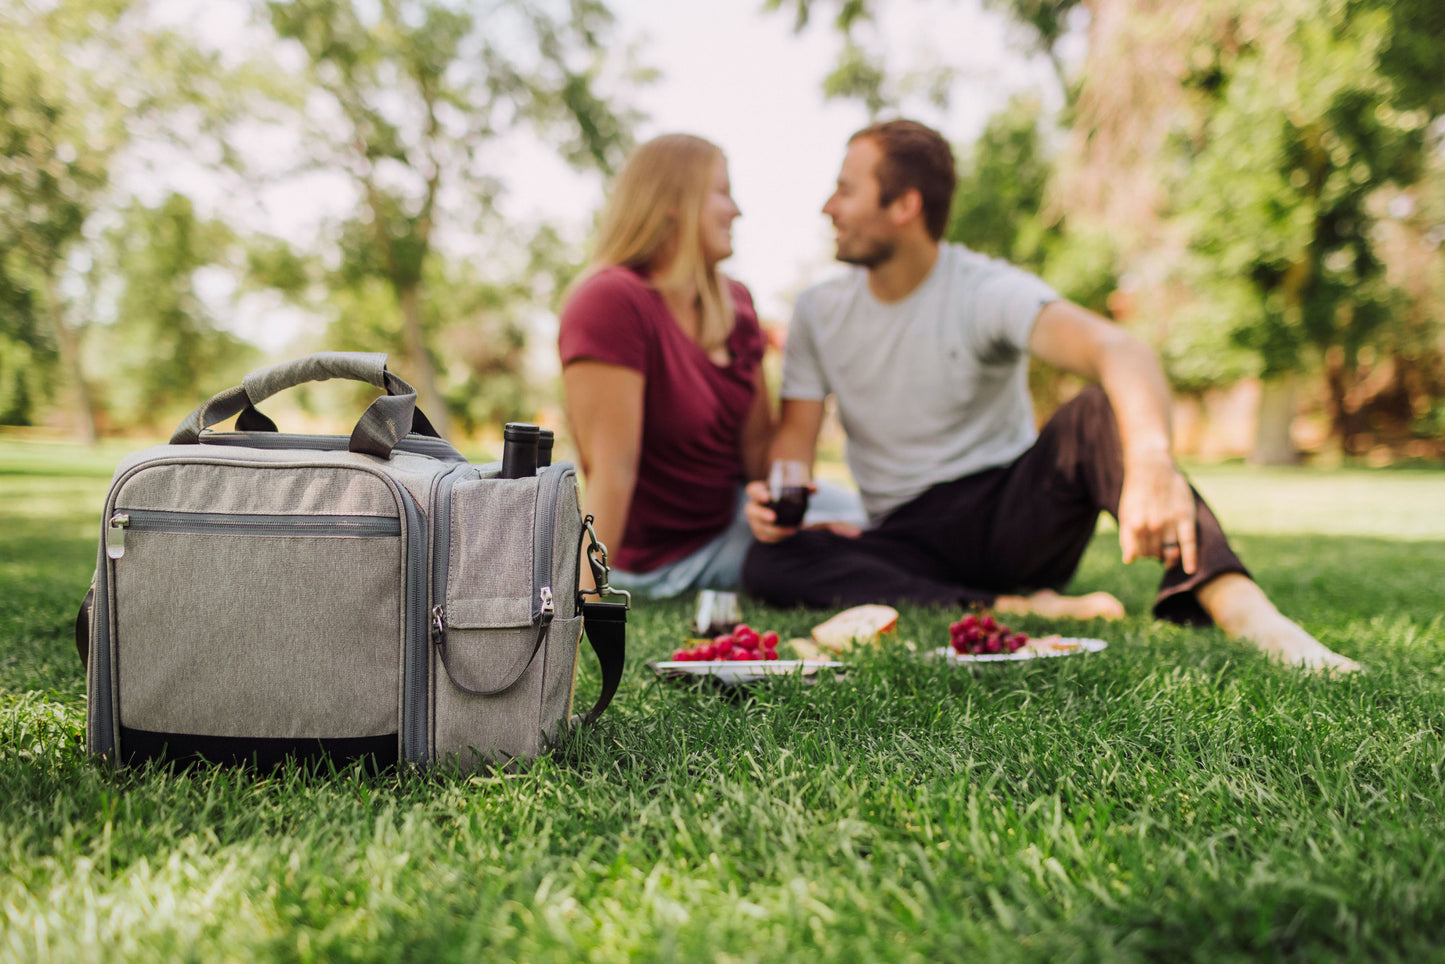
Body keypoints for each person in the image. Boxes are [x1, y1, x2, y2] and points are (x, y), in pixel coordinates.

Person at [741, 119, 1361, 673]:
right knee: (767, 564)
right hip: (907, 536)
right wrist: (777, 504)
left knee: (1096, 412)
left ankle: (1247, 611)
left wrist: (1150, 461)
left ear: (904, 205)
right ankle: (1006, 607)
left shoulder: (983, 289)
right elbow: (794, 439)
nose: (829, 207)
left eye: (846, 190)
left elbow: (1120, 351)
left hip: (1014, 515)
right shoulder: (820, 312)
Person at [559, 133, 863, 599]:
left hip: (731, 520)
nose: (735, 210)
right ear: (672, 203)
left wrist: (774, 506)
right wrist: (582, 602)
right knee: (854, 551)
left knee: (863, 519)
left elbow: (759, 453)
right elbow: (611, 473)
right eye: (722, 192)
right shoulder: (611, 301)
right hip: (665, 560)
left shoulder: (736, 303)